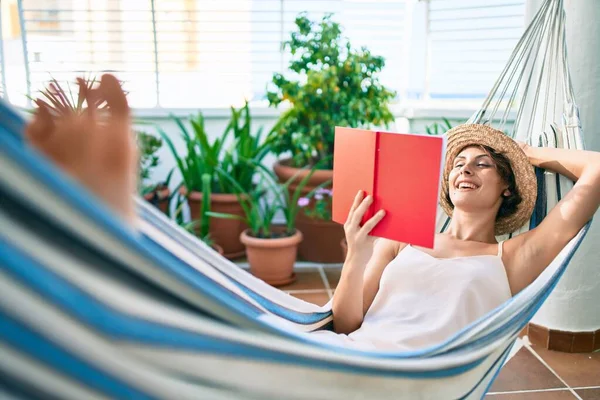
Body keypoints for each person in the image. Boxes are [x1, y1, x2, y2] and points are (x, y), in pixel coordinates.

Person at [24, 74, 600, 351]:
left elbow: (593, 171)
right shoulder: (403, 239)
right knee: (216, 324)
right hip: (348, 354)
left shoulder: (513, 256)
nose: (464, 169)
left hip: (417, 375)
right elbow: (347, 320)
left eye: (482, 164)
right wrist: (361, 251)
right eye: (458, 162)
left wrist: (522, 152)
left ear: (505, 189)